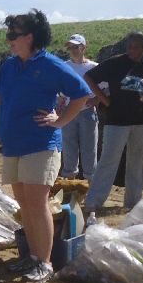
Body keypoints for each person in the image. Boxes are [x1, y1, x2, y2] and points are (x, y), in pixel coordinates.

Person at [0, 10, 93, 283]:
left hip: (41, 144)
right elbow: (0, 96)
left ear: (30, 37)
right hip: (13, 144)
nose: (9, 40)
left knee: (38, 203)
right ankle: (31, 257)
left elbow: (82, 93)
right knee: (24, 202)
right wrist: (5, 126)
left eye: (13, 35)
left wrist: (60, 120)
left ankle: (44, 262)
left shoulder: (49, 64)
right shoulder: (9, 66)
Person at [83, 32, 143, 213]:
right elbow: (89, 77)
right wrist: (104, 100)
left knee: (135, 163)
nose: (132, 50)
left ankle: (133, 203)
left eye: (136, 47)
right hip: (116, 120)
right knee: (108, 161)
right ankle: (93, 202)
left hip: (141, 121)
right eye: (129, 46)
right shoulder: (115, 63)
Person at [59, 34, 99, 180]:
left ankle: (90, 184)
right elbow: (58, 87)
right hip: (68, 112)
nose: (73, 50)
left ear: (84, 47)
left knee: (89, 149)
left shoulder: (94, 67)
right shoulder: (64, 66)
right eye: (71, 47)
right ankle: (69, 185)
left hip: (87, 112)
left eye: (76, 47)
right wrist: (60, 100)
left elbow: (106, 88)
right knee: (69, 148)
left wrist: (97, 101)